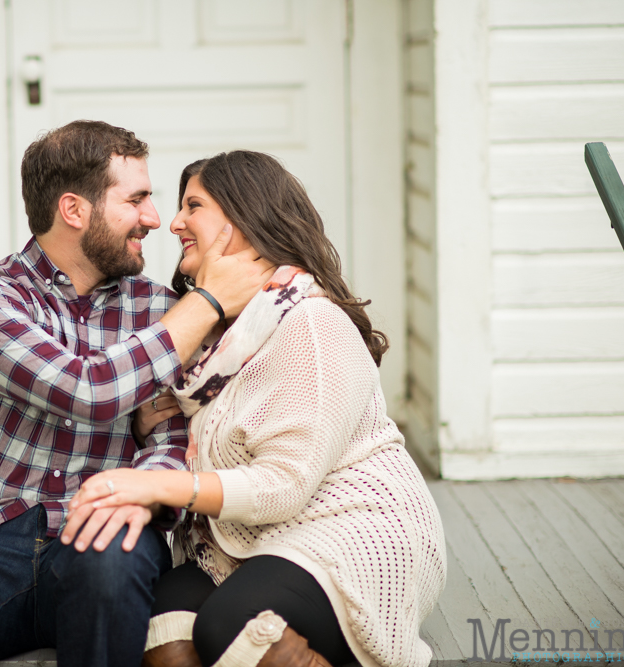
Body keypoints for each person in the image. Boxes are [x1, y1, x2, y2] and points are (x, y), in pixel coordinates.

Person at [0, 122, 274, 667]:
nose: (154, 218)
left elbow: (171, 433)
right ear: (74, 210)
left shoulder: (161, 309)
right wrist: (207, 303)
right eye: (136, 199)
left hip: (106, 519)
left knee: (111, 576)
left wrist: (142, 487)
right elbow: (83, 390)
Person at [66, 151, 447, 667]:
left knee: (233, 621)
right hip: (247, 543)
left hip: (354, 528)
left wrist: (154, 485)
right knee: (160, 625)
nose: (174, 222)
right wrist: (145, 421)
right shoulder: (215, 338)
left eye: (192, 206)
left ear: (245, 219)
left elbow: (284, 485)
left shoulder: (310, 323)